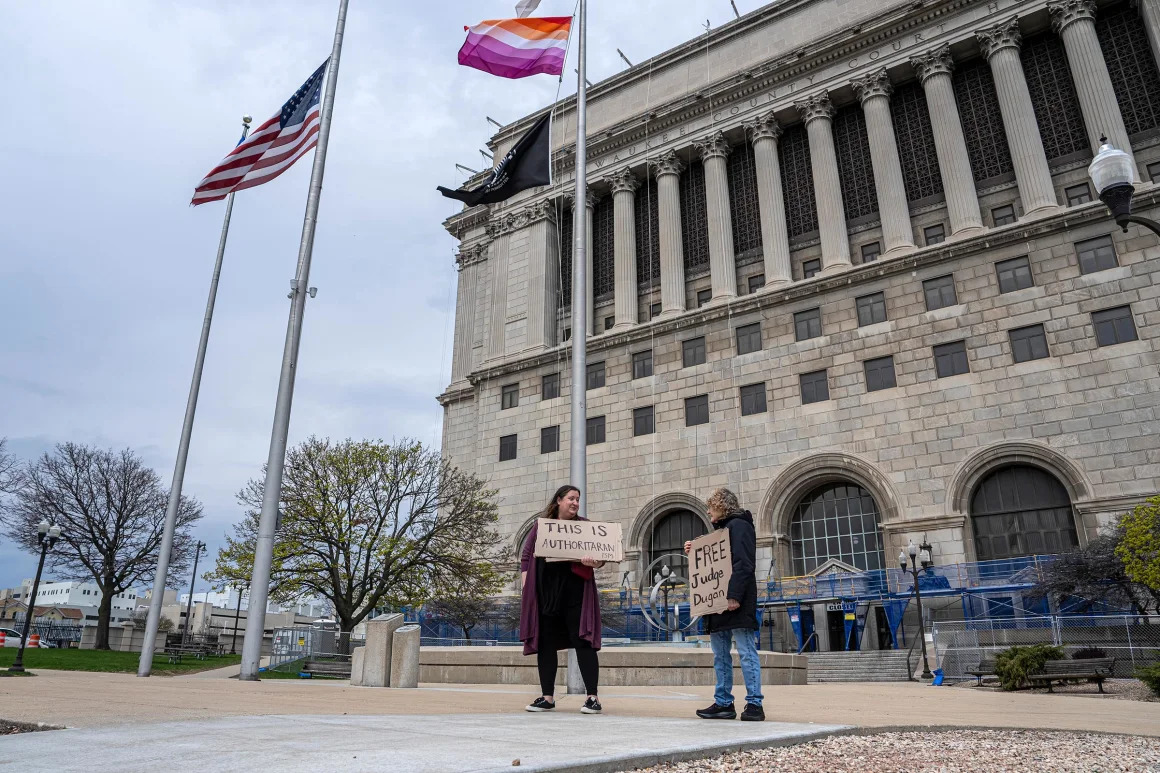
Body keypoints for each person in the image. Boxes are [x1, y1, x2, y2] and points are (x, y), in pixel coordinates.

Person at [519, 484, 605, 714]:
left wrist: (593, 561)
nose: (576, 503)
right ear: (559, 500)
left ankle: (592, 697)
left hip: (575, 594)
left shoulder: (585, 527)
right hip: (547, 595)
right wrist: (528, 588)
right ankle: (547, 697)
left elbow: (602, 556)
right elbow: (526, 556)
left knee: (583, 643)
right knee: (546, 644)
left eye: (578, 499)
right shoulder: (541, 526)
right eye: (571, 498)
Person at [685, 487, 763, 721]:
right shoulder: (721, 531)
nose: (708, 511)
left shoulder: (740, 526)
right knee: (720, 655)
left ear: (722, 506)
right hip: (717, 604)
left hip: (735, 601)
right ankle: (723, 703)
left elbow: (744, 563)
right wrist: (694, 549)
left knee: (746, 652)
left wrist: (734, 596)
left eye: (711, 506)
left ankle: (754, 705)